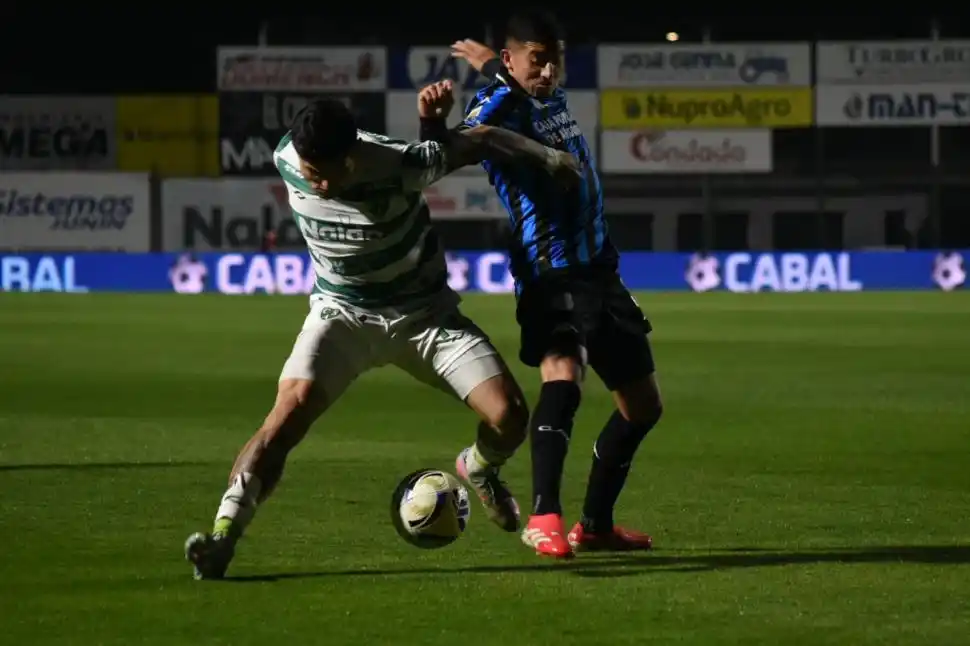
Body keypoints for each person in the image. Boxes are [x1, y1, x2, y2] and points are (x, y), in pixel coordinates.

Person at [184, 95, 581, 580]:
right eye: (310, 173)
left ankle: (478, 466)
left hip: (425, 317)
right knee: (284, 418)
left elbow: (482, 139)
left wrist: (551, 158)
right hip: (342, 314)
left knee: (510, 417)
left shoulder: (400, 163)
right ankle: (224, 535)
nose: (317, 183)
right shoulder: (288, 155)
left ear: (352, 155)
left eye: (326, 173)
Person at [419, 11, 663, 558]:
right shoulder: (497, 106)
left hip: (600, 268)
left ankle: (595, 526)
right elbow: (446, 152)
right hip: (549, 269)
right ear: (514, 60)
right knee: (564, 373)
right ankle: (544, 515)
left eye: (555, 60)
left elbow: (514, 76)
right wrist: (432, 122)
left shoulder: (538, 90)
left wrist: (493, 62)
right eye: (538, 61)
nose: (549, 71)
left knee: (643, 406)